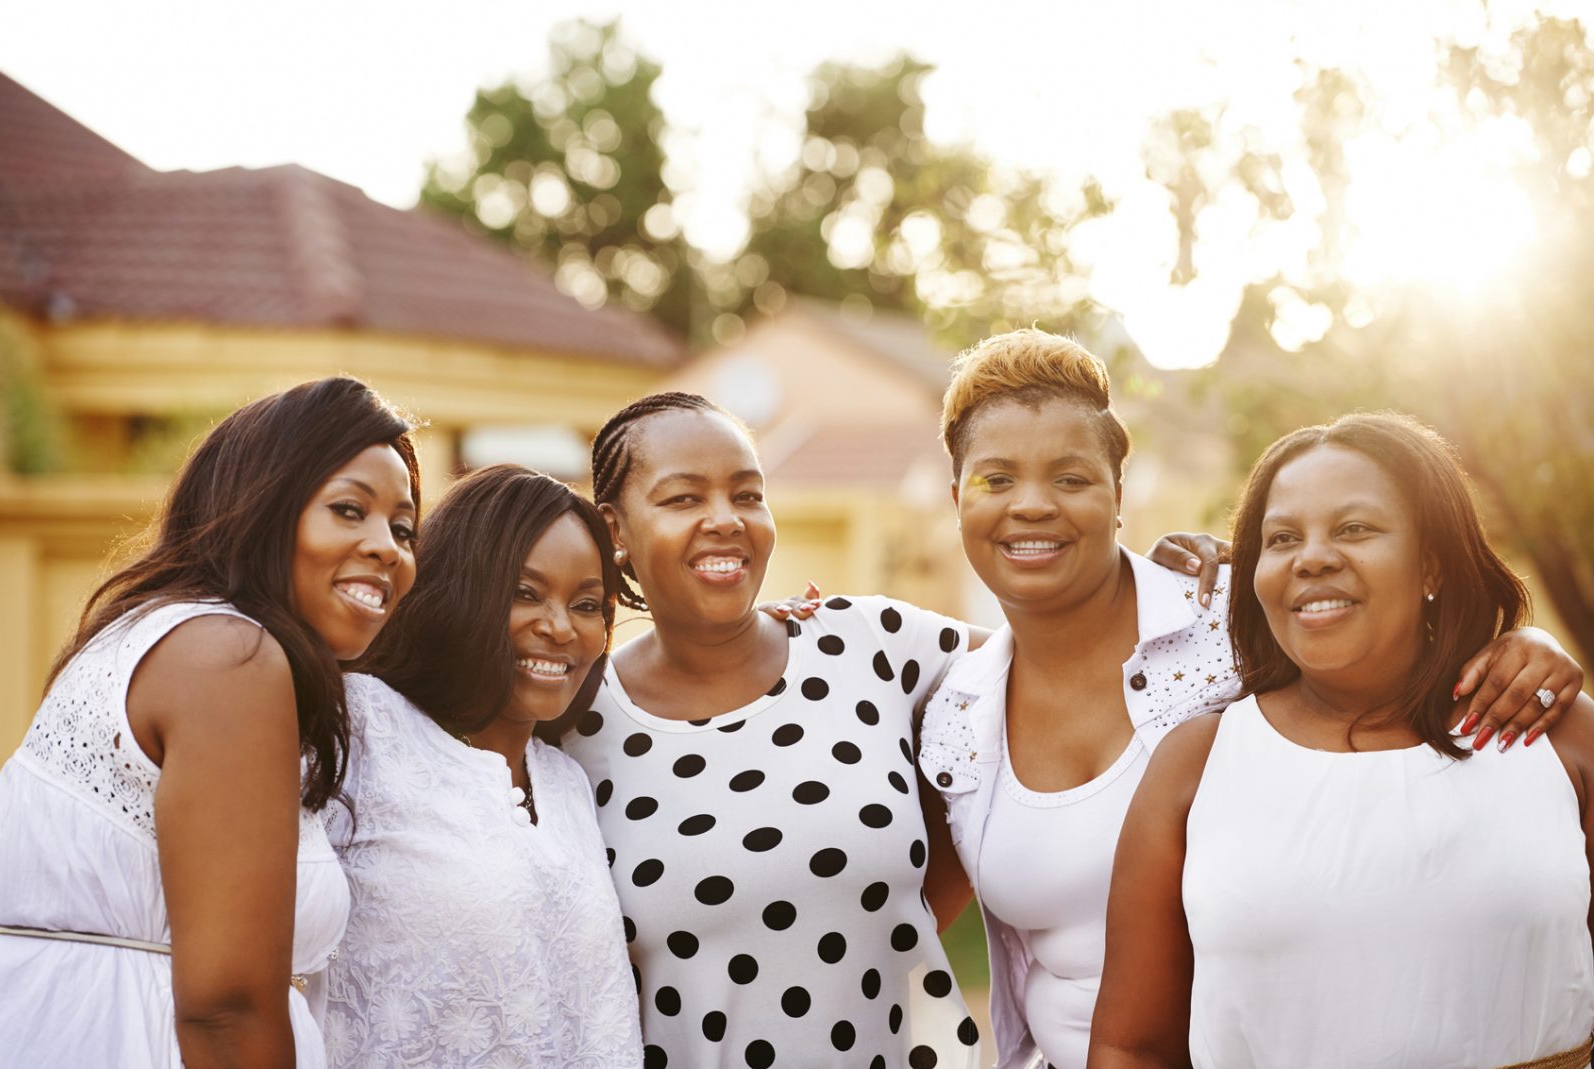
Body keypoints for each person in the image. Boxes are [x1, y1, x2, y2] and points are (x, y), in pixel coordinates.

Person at [915, 331, 1583, 1069]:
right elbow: (891, 906)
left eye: (1071, 478)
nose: (1032, 506)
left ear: (1118, 495)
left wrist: (1527, 647)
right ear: (954, 499)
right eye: (995, 480)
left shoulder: (1231, 619)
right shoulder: (955, 710)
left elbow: (1379, 633)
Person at [1089, 412, 1594, 1069]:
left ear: (1431, 564)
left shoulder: (1556, 734)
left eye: (1355, 528)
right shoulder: (1197, 763)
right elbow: (1133, 1046)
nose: (1314, 556)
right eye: (1282, 537)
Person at [0, 377, 420, 1069]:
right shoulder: (228, 658)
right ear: (262, 506)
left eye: (402, 527)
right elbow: (228, 1008)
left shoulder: (173, 638)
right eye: (350, 510)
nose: (388, 548)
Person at [558, 392, 986, 1069]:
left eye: (748, 494)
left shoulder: (868, 642)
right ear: (614, 529)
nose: (725, 520)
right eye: (683, 499)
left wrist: (1165, 579)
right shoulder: (571, 725)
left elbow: (1052, 664)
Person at [323, 465, 640, 1068]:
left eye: (588, 604)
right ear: (460, 589)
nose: (560, 626)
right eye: (525, 593)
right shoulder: (362, 729)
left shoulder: (567, 782)